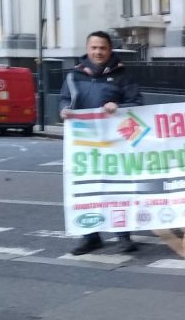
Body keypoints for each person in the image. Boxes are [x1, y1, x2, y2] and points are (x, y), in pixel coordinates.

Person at [61, 31, 144, 256]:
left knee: (119, 187)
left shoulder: (122, 75)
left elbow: (137, 102)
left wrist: (119, 106)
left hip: (116, 143)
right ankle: (90, 236)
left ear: (110, 50)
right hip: (85, 143)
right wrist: (64, 110)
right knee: (87, 188)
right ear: (87, 49)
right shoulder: (74, 76)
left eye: (103, 48)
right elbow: (65, 99)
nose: (98, 52)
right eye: (94, 48)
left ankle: (123, 236)